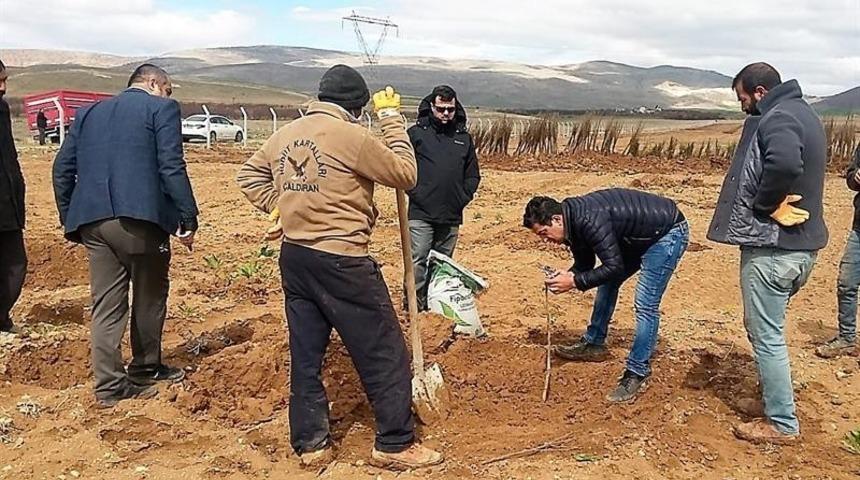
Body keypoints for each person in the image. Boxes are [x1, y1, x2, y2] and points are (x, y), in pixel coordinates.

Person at [236, 65, 443, 470]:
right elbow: (406, 174)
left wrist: (277, 206)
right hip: (343, 260)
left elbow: (248, 175)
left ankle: (311, 444)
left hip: (295, 259)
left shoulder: (286, 134)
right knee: (383, 350)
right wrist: (391, 122)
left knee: (306, 353)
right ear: (357, 106)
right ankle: (395, 443)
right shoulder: (352, 135)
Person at [52, 64, 199, 408]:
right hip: (140, 221)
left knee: (106, 304)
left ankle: (108, 387)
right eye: (168, 88)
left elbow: (62, 169)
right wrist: (187, 218)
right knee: (149, 294)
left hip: (92, 222)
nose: (169, 95)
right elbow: (171, 166)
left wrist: (71, 215)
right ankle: (146, 368)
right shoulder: (161, 109)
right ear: (153, 83)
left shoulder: (88, 114)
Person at [707, 62, 827, 444]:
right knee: (767, 328)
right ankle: (773, 399)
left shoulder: (779, 116)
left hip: (774, 250)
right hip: (800, 249)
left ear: (759, 92)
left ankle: (781, 421)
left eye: (742, 97)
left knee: (766, 334)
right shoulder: (804, 112)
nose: (742, 106)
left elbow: (785, 162)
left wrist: (767, 204)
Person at [523, 188, 689, 402]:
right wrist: (568, 275)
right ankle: (593, 344)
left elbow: (614, 267)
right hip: (637, 235)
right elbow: (586, 264)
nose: (545, 240)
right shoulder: (571, 224)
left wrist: (573, 282)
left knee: (645, 303)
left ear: (556, 219)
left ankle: (637, 371)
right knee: (607, 283)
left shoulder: (588, 221)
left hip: (666, 233)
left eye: (544, 233)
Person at [405, 85, 480, 310]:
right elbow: (404, 169)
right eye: (441, 109)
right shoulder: (416, 134)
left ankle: (435, 303)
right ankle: (414, 305)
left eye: (450, 109)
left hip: (451, 213)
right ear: (431, 107)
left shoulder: (463, 138)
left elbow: (473, 174)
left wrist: (462, 197)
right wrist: (416, 193)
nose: (446, 114)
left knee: (442, 263)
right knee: (418, 260)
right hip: (421, 212)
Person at [816, 143, 860, 359]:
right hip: (859, 229)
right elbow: (851, 177)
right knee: (847, 283)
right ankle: (846, 338)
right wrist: (855, 177)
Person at [0, 58, 27, 335]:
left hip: (8, 204)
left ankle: (1, 317)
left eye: (5, 80)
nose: (3, 87)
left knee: (15, 265)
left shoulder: (3, 110)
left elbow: (10, 156)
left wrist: (17, 191)